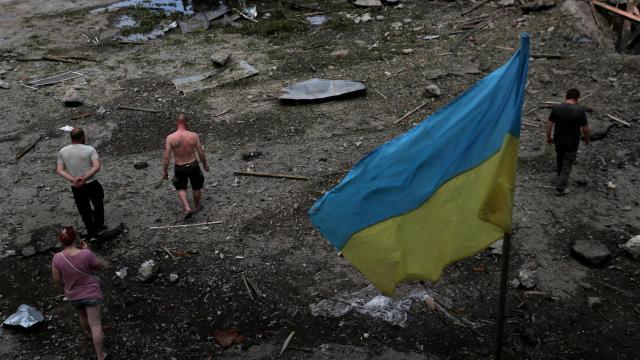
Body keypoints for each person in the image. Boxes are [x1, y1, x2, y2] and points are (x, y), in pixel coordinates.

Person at [51, 226, 107, 360]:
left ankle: (89, 334)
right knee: (96, 324)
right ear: (75, 238)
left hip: (73, 295)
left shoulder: (57, 258)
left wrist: (68, 285)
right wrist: (87, 250)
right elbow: (99, 266)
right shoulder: (86, 253)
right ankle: (100, 355)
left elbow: (57, 280)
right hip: (91, 293)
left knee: (82, 315)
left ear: (61, 241)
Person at [56, 128, 105, 240]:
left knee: (84, 210)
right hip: (91, 183)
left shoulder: (63, 151)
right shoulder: (89, 149)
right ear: (82, 136)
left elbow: (60, 170)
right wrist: (85, 177)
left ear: (71, 138)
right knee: (98, 204)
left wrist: (73, 179)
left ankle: (91, 233)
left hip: (76, 187)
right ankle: (99, 226)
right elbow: (96, 166)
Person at [162, 114, 209, 218]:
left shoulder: (170, 138)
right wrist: (205, 164)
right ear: (186, 122)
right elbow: (201, 152)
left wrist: (164, 171)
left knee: (180, 187)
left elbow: (167, 156)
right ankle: (196, 207)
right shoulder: (193, 135)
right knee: (196, 186)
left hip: (180, 167)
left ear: (177, 123)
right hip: (193, 165)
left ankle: (187, 208)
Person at [546, 88, 590, 196]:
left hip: (558, 140)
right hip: (572, 143)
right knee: (567, 164)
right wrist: (587, 138)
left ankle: (559, 178)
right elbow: (585, 128)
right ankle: (560, 188)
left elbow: (549, 125)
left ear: (566, 96)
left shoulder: (556, 108)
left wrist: (548, 137)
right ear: (577, 98)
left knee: (560, 159)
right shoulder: (580, 111)